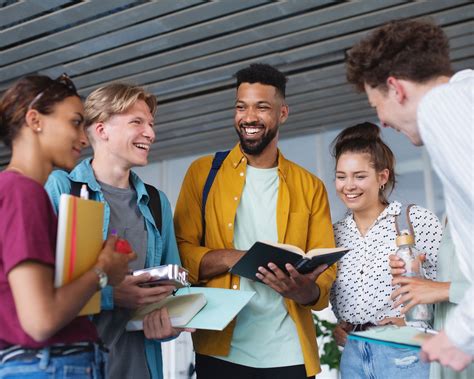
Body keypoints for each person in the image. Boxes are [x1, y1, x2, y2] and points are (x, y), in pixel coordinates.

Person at [174, 63, 337, 378]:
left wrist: (305, 291)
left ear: (282, 113)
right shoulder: (203, 172)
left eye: (262, 108)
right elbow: (182, 252)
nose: (248, 118)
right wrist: (235, 258)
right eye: (241, 107)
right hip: (220, 348)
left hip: (289, 353)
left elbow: (325, 275)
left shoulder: (310, 186)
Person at [345, 18, 473, 370]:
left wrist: (457, 334)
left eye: (376, 106)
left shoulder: (441, 108)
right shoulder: (465, 91)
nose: (382, 122)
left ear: (396, 89)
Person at [45, 83, 186, 379]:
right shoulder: (62, 190)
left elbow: (173, 289)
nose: (150, 133)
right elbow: (39, 294)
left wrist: (168, 325)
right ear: (100, 130)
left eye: (151, 124)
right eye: (137, 122)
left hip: (141, 368)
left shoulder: (157, 203)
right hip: (74, 368)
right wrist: (110, 295)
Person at [0, 75, 134, 378]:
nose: (84, 138)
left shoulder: (14, 191)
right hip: (51, 366)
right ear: (35, 120)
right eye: (75, 123)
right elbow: (41, 319)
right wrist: (102, 271)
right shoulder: (23, 192)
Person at [329, 122, 441, 378]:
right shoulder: (334, 235)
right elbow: (338, 298)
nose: (349, 186)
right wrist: (341, 326)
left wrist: (410, 322)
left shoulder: (414, 220)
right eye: (341, 176)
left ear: (382, 177)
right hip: (353, 355)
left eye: (359, 176)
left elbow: (448, 286)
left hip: (404, 351)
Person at [390, 219, 474, 379]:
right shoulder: (453, 214)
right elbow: (448, 299)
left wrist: (443, 289)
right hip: (448, 358)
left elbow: (447, 290)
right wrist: (417, 277)